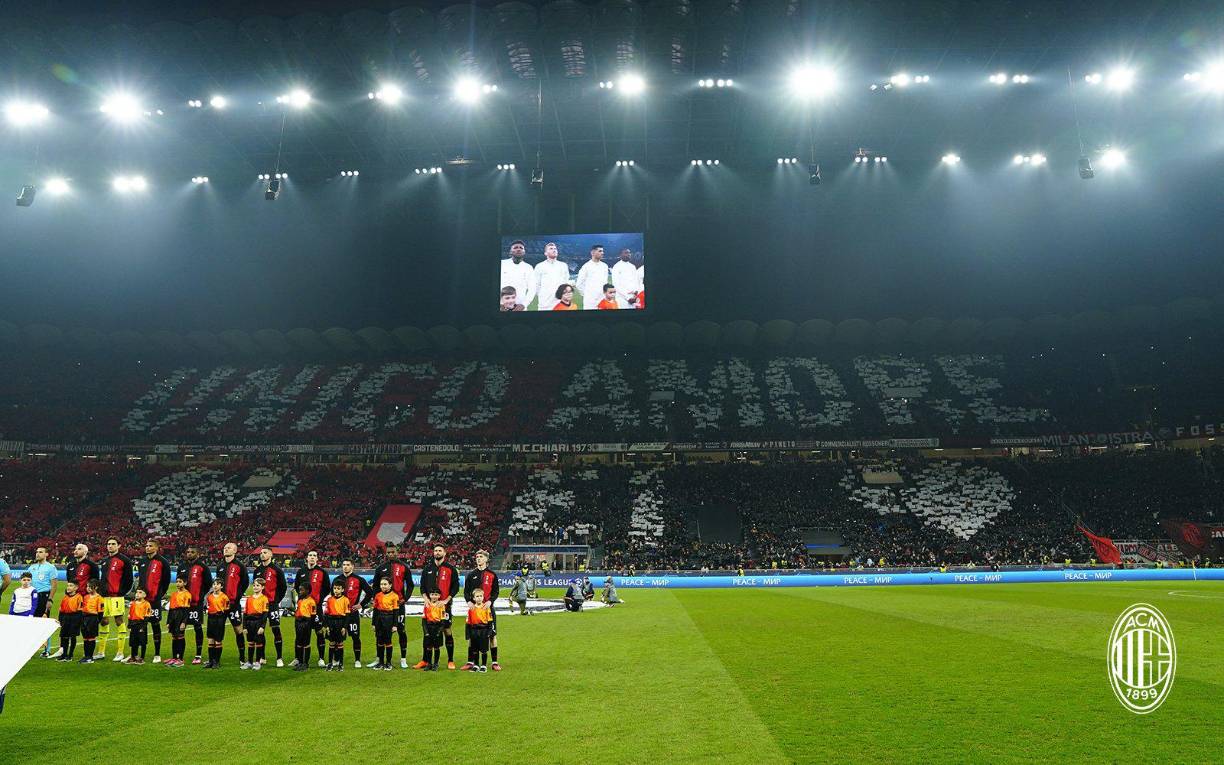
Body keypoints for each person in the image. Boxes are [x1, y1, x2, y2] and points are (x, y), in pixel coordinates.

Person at [416, 543, 461, 670]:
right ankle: (425, 660)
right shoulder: (427, 569)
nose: (437, 552)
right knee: (428, 633)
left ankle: (450, 660)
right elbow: (422, 587)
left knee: (447, 631)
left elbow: (455, 587)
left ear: (445, 553)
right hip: (430, 606)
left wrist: (447, 600)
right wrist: (425, 599)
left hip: (444, 606)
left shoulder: (450, 569)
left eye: (440, 550)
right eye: (435, 550)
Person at [371, 542, 414, 669]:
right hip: (383, 607)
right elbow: (375, 586)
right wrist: (378, 599)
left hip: (398, 605)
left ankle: (403, 658)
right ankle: (379, 659)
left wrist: (405, 599)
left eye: (393, 552)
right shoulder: (380, 568)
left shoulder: (404, 567)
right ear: (386, 553)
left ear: (397, 552)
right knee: (379, 633)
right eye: (388, 552)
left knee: (401, 630)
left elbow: (410, 585)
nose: (390, 554)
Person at [462, 549, 502, 671]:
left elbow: (495, 591)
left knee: (492, 635)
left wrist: (490, 601)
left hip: (488, 609)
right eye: (477, 557)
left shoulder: (492, 574)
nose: (478, 559)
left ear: (486, 559)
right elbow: (466, 591)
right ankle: (470, 661)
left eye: (480, 557)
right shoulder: (471, 575)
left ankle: (494, 662)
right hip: (474, 610)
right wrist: (469, 601)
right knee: (472, 636)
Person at [99, 537, 135, 662]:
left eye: (113, 544)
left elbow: (129, 579)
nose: (110, 546)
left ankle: (120, 652)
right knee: (103, 621)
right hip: (104, 597)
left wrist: (121, 593)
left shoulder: (124, 560)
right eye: (108, 544)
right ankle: (101, 652)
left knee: (119, 620)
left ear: (119, 545)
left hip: (116, 596)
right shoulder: (104, 561)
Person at [253, 546, 289, 667]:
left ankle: (279, 658)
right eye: (261, 553)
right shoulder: (257, 570)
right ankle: (262, 657)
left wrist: (276, 600)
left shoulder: (277, 570)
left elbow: (283, 587)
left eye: (265, 552)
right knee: (259, 632)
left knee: (276, 629)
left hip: (272, 605)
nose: (262, 554)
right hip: (259, 605)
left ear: (271, 555)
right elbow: (255, 587)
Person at [177, 545, 213, 666]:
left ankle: (198, 655)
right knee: (181, 628)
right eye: (187, 552)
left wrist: (200, 594)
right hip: (182, 604)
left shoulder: (203, 567)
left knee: (197, 628)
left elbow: (208, 583)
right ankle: (179, 656)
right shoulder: (181, 567)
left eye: (192, 552)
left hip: (196, 603)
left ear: (197, 554)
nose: (189, 554)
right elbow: (179, 583)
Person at [294, 550, 330, 667]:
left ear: (317, 558)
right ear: (307, 558)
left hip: (316, 607)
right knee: (300, 633)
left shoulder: (322, 572)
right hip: (303, 607)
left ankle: (321, 658)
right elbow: (296, 586)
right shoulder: (301, 572)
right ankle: (298, 659)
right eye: (310, 555)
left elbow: (327, 588)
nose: (312, 557)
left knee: (319, 632)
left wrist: (318, 599)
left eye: (314, 556)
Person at [334, 559, 372, 669]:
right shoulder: (337, 579)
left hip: (352, 613)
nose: (345, 567)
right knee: (338, 637)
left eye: (348, 565)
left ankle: (357, 660)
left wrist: (361, 605)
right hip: (339, 614)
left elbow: (370, 592)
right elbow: (333, 595)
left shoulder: (359, 579)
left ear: (352, 567)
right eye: (344, 565)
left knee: (355, 637)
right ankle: (337, 659)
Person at [138, 540, 171, 664]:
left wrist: (159, 595)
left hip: (154, 600)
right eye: (146, 545)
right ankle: (142, 654)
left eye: (150, 546)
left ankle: (157, 654)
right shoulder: (142, 562)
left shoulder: (163, 562)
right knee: (142, 626)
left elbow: (166, 581)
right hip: (142, 601)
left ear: (157, 548)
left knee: (155, 625)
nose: (147, 547)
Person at [216, 542, 250, 667]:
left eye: (229, 548)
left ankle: (242, 658)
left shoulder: (240, 566)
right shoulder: (220, 566)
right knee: (219, 630)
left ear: (235, 551)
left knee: (238, 629)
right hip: (220, 604)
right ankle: (216, 660)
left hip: (234, 604)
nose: (226, 549)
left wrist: (237, 595)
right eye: (224, 547)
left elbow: (245, 582)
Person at [26, 547, 58, 658]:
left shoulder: (50, 567)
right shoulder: (32, 567)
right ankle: (31, 648)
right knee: (31, 623)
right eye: (37, 552)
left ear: (46, 554)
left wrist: (50, 599)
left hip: (44, 597)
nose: (37, 554)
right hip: (32, 597)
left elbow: (54, 584)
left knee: (44, 623)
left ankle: (46, 650)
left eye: (40, 552)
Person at [370, 578, 400, 671]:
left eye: (385, 584)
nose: (383, 586)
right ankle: (381, 662)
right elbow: (375, 610)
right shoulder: (378, 595)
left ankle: (388, 663)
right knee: (379, 641)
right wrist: (373, 623)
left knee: (388, 641)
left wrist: (395, 625)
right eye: (381, 584)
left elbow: (396, 611)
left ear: (390, 585)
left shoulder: (394, 596)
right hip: (379, 618)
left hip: (389, 618)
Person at [241, 576, 270, 670]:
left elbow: (265, 614)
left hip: (258, 622)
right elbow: (245, 614)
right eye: (254, 585)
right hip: (249, 623)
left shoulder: (264, 599)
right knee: (250, 642)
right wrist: (244, 626)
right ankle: (249, 662)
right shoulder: (249, 599)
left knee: (258, 642)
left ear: (262, 587)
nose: (255, 587)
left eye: (258, 585)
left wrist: (262, 626)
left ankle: (257, 662)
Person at [321, 581, 350, 671]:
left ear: (342, 590)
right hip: (331, 622)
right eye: (334, 588)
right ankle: (330, 663)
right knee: (332, 643)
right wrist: (327, 626)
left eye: (338, 588)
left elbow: (347, 615)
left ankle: (341, 663)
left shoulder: (345, 600)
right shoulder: (329, 600)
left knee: (340, 643)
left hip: (341, 622)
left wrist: (344, 627)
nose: (336, 590)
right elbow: (326, 614)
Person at [533, 241, 570, 311]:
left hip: (560, 302)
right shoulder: (539, 266)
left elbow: (566, 282)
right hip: (545, 303)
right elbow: (536, 284)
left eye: (555, 248)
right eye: (551, 248)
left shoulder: (563, 265)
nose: (554, 250)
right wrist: (542, 295)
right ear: (545, 253)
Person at [500, 239, 536, 309]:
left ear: (524, 252)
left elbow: (532, 289)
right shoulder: (502, 264)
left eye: (521, 248)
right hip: (502, 307)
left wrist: (524, 305)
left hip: (520, 307)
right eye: (515, 248)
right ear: (510, 252)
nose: (518, 249)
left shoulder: (528, 267)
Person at [464, 589, 493, 673]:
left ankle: (483, 665)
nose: (479, 598)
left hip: (484, 630)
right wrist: (468, 633)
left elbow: (490, 620)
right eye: (477, 596)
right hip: (474, 631)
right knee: (475, 649)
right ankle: (476, 665)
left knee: (484, 650)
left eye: (481, 596)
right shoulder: (471, 609)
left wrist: (489, 631)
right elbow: (468, 622)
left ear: (483, 597)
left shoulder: (486, 608)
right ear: (473, 598)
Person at [166, 580, 193, 667]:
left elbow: (186, 610)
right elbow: (170, 609)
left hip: (181, 616)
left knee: (180, 636)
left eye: (180, 582)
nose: (178, 583)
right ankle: (174, 658)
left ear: (185, 583)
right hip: (173, 616)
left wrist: (184, 622)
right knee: (174, 637)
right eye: (177, 581)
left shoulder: (187, 594)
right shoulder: (174, 594)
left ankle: (180, 659)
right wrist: (168, 621)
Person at [203, 580, 230, 669]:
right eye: (214, 584)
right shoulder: (209, 597)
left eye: (217, 584)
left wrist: (222, 620)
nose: (215, 586)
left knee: (218, 640)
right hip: (211, 619)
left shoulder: (224, 597)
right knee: (210, 640)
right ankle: (211, 661)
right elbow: (207, 607)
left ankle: (217, 662)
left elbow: (226, 610)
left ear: (221, 586)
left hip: (219, 618)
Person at [55, 580, 83, 661]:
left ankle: (70, 655)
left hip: (74, 618)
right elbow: (61, 611)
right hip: (65, 618)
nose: (68, 587)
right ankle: (64, 654)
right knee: (64, 637)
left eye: (71, 585)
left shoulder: (79, 597)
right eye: (68, 585)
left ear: (76, 588)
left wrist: (78, 622)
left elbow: (80, 611)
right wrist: (60, 620)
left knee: (72, 636)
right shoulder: (65, 598)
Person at [291, 583, 317, 672]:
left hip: (306, 623)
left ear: (307, 591)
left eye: (302, 590)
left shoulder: (311, 601)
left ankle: (306, 663)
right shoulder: (300, 601)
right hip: (298, 623)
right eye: (299, 590)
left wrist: (310, 626)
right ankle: (300, 662)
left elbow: (313, 615)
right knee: (299, 642)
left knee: (306, 643)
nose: (300, 592)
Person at [574, 244, 609, 309]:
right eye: (600, 251)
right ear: (592, 253)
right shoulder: (586, 266)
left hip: (603, 299)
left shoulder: (605, 266)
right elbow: (579, 284)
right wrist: (588, 295)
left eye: (602, 251)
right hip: (590, 301)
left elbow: (605, 283)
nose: (602, 253)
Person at [420, 589, 446, 672]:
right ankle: (429, 663)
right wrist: (426, 631)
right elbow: (424, 620)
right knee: (428, 647)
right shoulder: (427, 605)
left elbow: (443, 620)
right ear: (429, 595)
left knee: (436, 647)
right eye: (432, 594)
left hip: (437, 627)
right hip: (429, 627)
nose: (434, 596)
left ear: (439, 596)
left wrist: (439, 631)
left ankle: (435, 664)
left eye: (436, 594)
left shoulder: (441, 605)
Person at [79, 579, 104, 663]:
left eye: (90, 587)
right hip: (84, 617)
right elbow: (82, 608)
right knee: (85, 638)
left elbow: (101, 612)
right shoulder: (85, 597)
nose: (88, 588)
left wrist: (97, 621)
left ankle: (90, 657)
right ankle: (86, 656)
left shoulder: (99, 598)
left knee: (91, 638)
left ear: (96, 587)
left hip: (93, 618)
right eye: (87, 586)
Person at [125, 588, 152, 664]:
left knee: (142, 642)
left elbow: (147, 616)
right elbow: (130, 615)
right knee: (133, 642)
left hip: (141, 624)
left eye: (140, 592)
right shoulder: (133, 603)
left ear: (144, 595)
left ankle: (142, 658)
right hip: (133, 624)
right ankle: (133, 656)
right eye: (137, 592)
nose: (137, 594)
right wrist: (129, 626)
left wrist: (143, 627)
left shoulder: (147, 604)